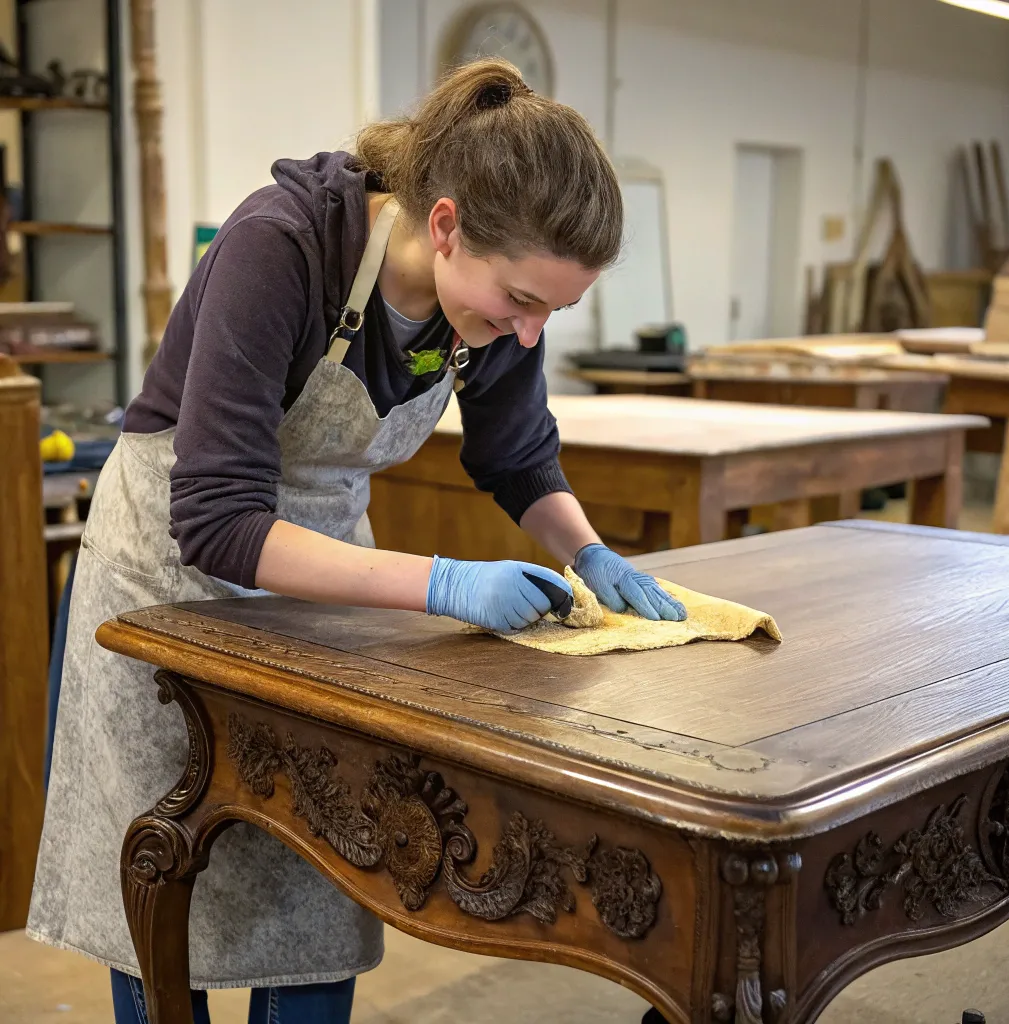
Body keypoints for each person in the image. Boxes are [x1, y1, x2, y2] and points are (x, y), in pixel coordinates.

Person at [28, 57, 686, 1023]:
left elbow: (518, 457)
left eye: (557, 310)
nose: (532, 332)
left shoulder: (488, 317)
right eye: (522, 299)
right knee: (167, 893)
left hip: (320, 584)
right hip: (170, 580)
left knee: (325, 870)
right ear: (449, 224)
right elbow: (218, 518)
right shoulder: (282, 244)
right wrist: (444, 584)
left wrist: (586, 549)